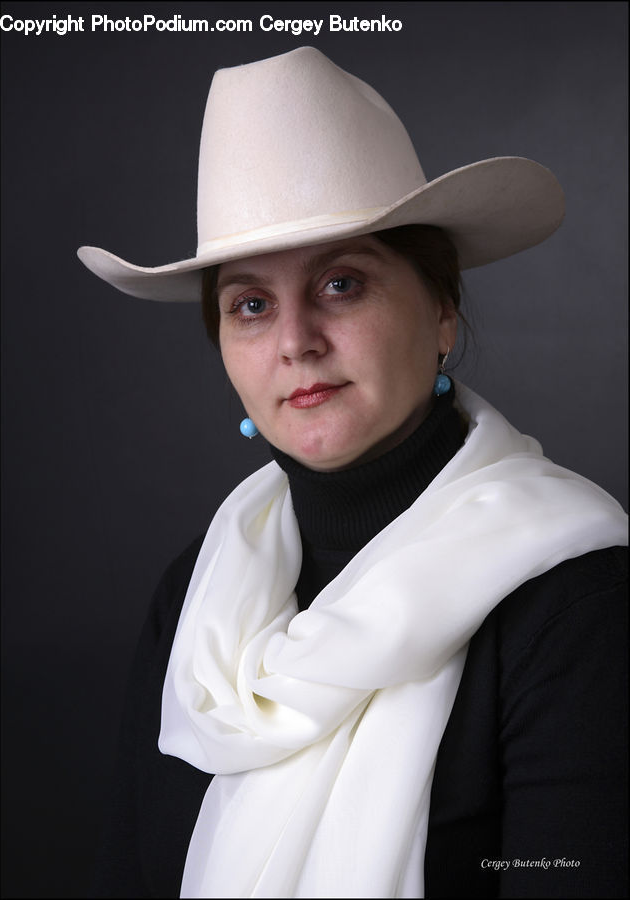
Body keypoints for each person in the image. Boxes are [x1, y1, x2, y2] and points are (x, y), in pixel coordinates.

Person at [78, 47, 628, 899]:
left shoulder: (577, 603)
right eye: (250, 304)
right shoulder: (194, 593)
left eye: (341, 283)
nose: (294, 340)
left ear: (441, 312)